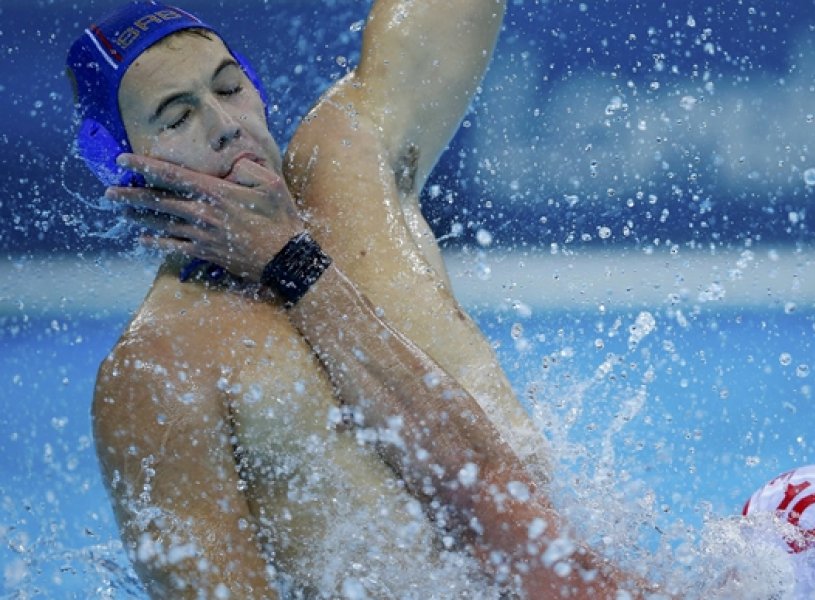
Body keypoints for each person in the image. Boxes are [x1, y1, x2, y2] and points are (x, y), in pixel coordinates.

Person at [67, 1, 656, 597]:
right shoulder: (158, 372)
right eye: (176, 118)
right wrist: (290, 263)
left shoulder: (347, 176)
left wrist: (288, 256)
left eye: (229, 86)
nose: (225, 123)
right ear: (117, 162)